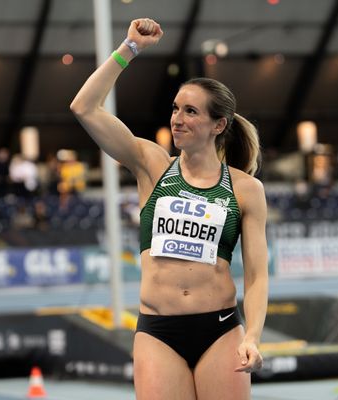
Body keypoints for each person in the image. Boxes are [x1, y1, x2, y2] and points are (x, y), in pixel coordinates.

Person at [71, 18, 268, 399]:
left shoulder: (245, 189)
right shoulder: (151, 164)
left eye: (191, 112)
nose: (178, 119)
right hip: (158, 332)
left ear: (218, 125)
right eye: (176, 109)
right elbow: (84, 107)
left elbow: (257, 276)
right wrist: (129, 48)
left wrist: (254, 336)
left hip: (221, 330)